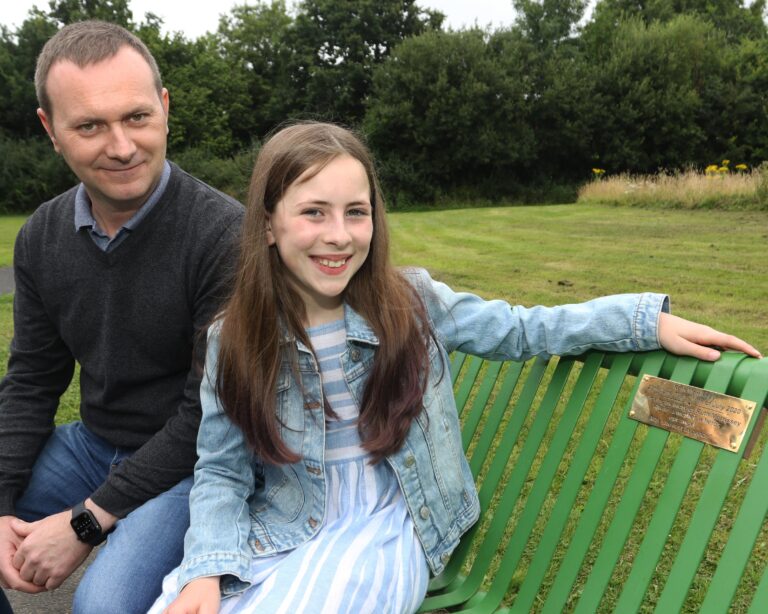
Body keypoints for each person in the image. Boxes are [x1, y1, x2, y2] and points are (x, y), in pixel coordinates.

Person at [150, 122, 760, 614]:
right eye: (314, 212)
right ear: (267, 223)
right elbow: (222, 472)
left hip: (388, 526)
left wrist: (642, 321)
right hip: (280, 529)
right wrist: (207, 568)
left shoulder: (410, 302)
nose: (339, 236)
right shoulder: (235, 338)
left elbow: (522, 328)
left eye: (356, 212)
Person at [0, 20, 244, 614]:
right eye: (89, 126)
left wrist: (86, 522)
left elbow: (208, 415)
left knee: (102, 605)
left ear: (165, 108)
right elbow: (31, 381)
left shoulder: (224, 236)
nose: (122, 146)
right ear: (50, 130)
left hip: (192, 465)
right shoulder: (41, 236)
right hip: (90, 446)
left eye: (137, 117)